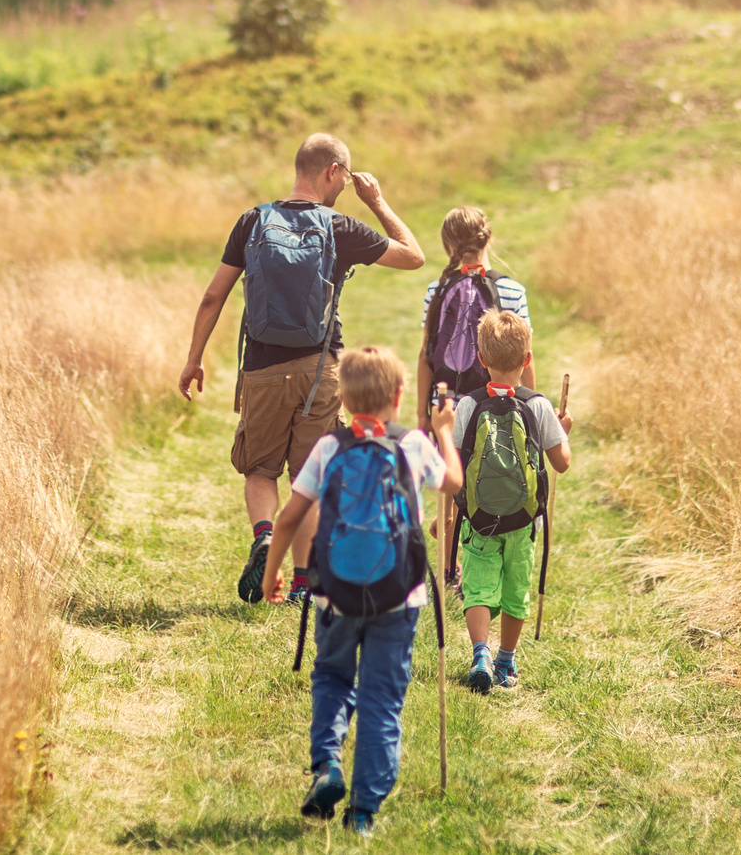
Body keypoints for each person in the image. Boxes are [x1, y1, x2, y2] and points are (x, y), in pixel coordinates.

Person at [178, 133, 425, 606]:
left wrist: (194, 358)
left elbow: (214, 295)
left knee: (260, 467)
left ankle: (265, 535)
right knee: (309, 474)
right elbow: (412, 255)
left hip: (262, 369)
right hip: (320, 371)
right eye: (346, 178)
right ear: (333, 171)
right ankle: (301, 584)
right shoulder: (338, 226)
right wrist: (377, 201)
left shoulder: (253, 221)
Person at [260, 345, 462, 837]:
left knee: (331, 677)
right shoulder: (413, 444)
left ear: (344, 401)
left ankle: (328, 764)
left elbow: (288, 518)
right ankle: (364, 811)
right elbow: (453, 483)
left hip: (334, 593)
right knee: (381, 699)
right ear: (398, 396)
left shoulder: (328, 448)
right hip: (400, 596)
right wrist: (443, 432)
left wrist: (273, 573)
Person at [452, 310, 571, 694]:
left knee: (478, 587)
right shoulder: (538, 406)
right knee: (515, 590)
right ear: (528, 359)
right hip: (523, 522)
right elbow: (561, 463)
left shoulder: (467, 407)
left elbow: (455, 466)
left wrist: (451, 515)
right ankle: (506, 661)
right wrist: (563, 432)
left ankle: (481, 652)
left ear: (481, 359)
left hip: (478, 519)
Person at [415, 206, 530, 588]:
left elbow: (426, 355)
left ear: (448, 243)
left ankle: (447, 572)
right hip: (490, 403)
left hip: (446, 402)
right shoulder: (511, 290)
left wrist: (422, 414)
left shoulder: (437, 290)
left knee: (449, 486)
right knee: (483, 479)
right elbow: (525, 353)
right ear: (488, 238)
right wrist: (529, 402)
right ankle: (480, 560)